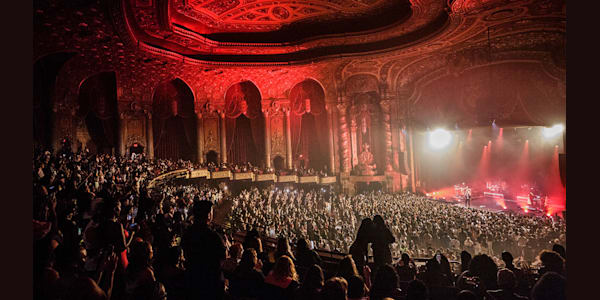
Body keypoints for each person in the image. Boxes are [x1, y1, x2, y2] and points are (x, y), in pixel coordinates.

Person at [182, 200, 226, 300]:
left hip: (192, 280)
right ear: (208, 215)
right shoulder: (213, 237)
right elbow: (222, 259)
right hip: (210, 283)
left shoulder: (188, 233)